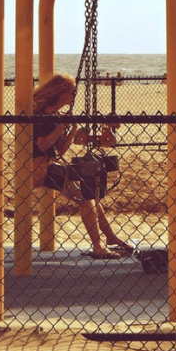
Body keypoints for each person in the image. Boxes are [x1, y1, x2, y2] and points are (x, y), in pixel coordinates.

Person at [33, 74, 130, 260]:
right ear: (60, 93)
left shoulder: (54, 115)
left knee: (89, 195)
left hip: (51, 165)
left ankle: (109, 237)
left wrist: (71, 129)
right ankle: (98, 246)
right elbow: (42, 145)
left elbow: (60, 149)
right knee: (86, 198)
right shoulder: (41, 115)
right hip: (38, 167)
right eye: (71, 91)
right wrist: (61, 128)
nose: (73, 95)